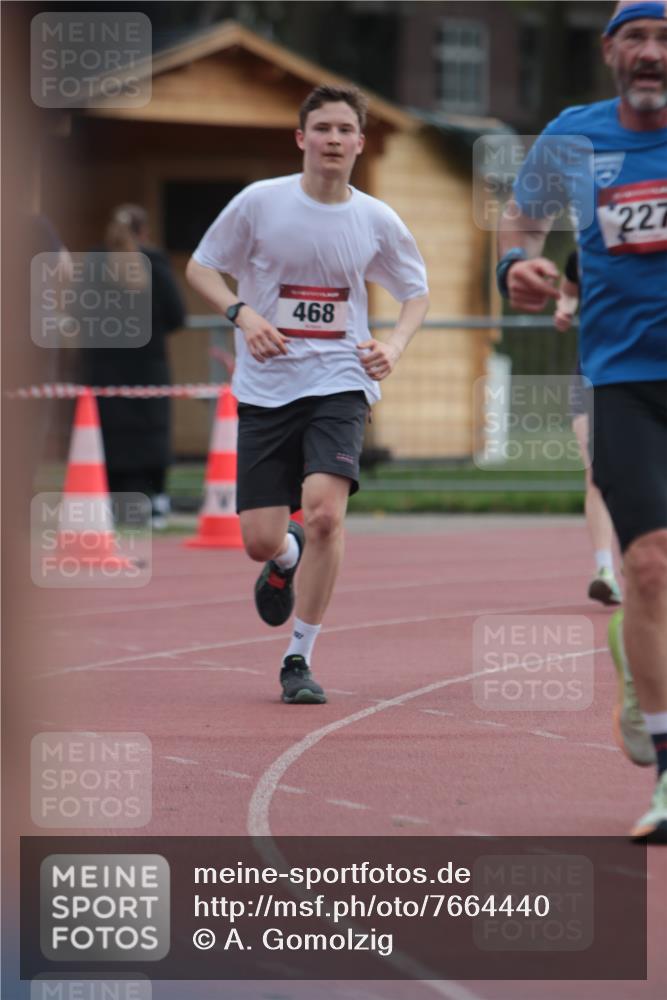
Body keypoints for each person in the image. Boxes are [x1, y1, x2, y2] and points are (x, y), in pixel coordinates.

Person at [186, 85, 429, 705]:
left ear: (359, 143)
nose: (333, 140)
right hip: (268, 387)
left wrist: (393, 348)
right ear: (302, 139)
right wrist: (243, 315)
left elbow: (416, 292)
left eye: (345, 130)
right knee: (260, 540)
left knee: (325, 513)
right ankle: (284, 557)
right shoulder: (260, 204)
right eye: (321, 128)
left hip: (341, 382)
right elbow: (201, 268)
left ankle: (299, 655)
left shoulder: (375, 218)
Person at [496, 1, 667, 842]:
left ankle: (643, 666)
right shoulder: (572, 135)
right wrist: (514, 266)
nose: (651, 52)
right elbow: (519, 223)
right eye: (635, 37)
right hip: (623, 380)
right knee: (648, 564)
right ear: (608, 52)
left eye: (666, 39)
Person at [83, 205, 186, 528]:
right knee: (151, 436)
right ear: (144, 233)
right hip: (148, 369)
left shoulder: (94, 264)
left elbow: (77, 312)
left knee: (108, 437)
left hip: (104, 369)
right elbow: (177, 315)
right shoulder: (154, 263)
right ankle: (154, 503)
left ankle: (111, 505)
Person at [555, 249, 622, 606]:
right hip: (591, 374)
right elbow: (569, 288)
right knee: (596, 472)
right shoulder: (581, 252)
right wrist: (565, 309)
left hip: (646, 375)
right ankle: (604, 570)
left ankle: (642, 558)